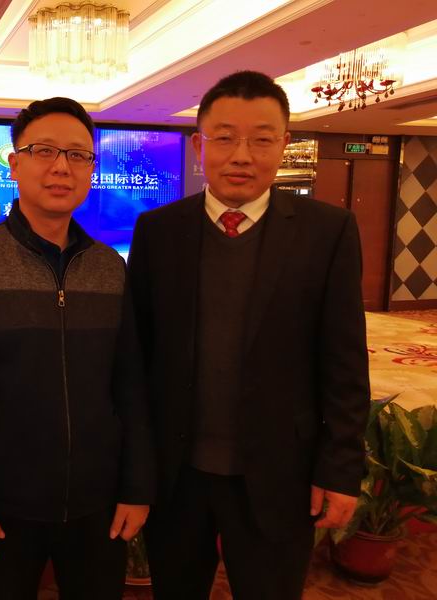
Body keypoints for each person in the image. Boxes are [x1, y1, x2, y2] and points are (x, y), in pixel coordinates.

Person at [126, 71, 370, 599]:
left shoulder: (327, 232)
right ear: (200, 147)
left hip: (281, 475)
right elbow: (138, 360)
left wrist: (340, 469)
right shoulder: (158, 231)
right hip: (177, 477)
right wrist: (135, 470)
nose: (242, 155)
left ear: (283, 145)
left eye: (261, 139)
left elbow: (345, 363)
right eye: (225, 138)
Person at [0, 97, 154, 600]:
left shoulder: (110, 267)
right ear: (14, 163)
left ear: (91, 169)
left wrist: (136, 487)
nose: (62, 167)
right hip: (2, 507)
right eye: (44, 150)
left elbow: (130, 386)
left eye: (78, 155)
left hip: (98, 503)